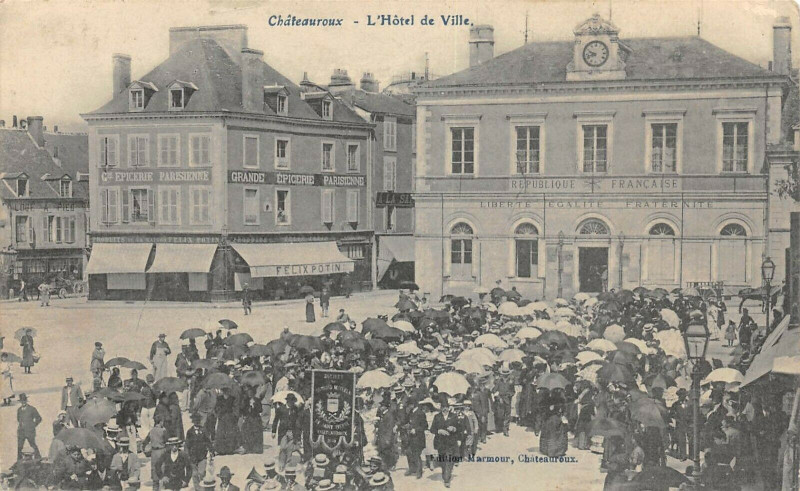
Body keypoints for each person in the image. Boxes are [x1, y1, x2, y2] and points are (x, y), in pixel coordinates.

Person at [430, 396, 463, 488]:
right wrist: (438, 431)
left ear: (449, 408)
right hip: (440, 443)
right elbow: (432, 429)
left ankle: (446, 479)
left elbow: (460, 428)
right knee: (443, 461)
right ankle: (445, 473)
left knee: (448, 460)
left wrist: (454, 428)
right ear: (441, 408)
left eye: (446, 407)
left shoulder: (454, 416)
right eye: (443, 407)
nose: (445, 409)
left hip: (451, 442)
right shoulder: (437, 417)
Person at [185, 413, 212, 490]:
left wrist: (211, 451)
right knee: (194, 474)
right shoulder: (189, 432)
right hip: (193, 456)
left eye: (198, 420)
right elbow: (187, 444)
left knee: (202, 473)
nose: (196, 422)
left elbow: (208, 441)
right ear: (193, 421)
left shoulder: (204, 430)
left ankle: (203, 488)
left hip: (202, 456)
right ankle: (197, 489)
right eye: (195, 420)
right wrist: (186, 453)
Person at [142, 414, 167, 491]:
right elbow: (167, 441)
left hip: (154, 453)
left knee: (154, 469)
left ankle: (155, 488)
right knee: (163, 469)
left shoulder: (151, 431)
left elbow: (145, 442)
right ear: (160, 422)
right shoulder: (163, 430)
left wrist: (145, 451)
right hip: (162, 451)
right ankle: (163, 487)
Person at [16, 393, 41, 460]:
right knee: (19, 447)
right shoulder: (19, 410)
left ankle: (38, 458)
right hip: (21, 431)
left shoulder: (32, 409)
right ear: (20, 401)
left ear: (26, 401)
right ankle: (19, 461)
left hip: (30, 431)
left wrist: (33, 425)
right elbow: (18, 419)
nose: (23, 402)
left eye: (24, 400)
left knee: (33, 445)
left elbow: (39, 418)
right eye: (21, 401)